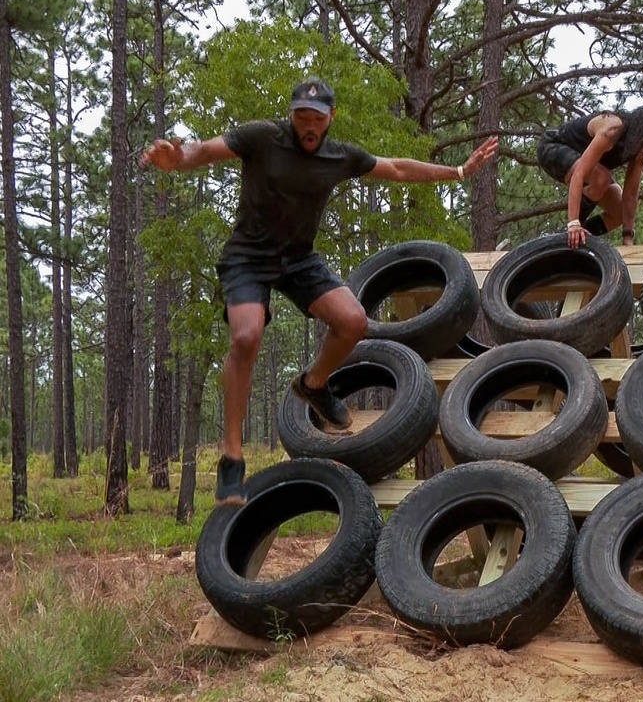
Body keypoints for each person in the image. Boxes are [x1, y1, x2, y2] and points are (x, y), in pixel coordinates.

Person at [141, 76, 499, 507]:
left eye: (316, 118)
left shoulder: (339, 155)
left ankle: (313, 385)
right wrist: (179, 159)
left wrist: (458, 171)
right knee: (246, 336)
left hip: (299, 259)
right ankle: (232, 459)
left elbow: (398, 168)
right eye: (301, 117)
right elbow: (206, 150)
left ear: (331, 118)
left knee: (353, 321)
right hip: (248, 258)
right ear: (290, 115)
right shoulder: (263, 137)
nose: (308, 126)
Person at [536, 104, 643, 249]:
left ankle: (578, 239)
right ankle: (572, 232)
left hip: (590, 168)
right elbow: (579, 175)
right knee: (600, 178)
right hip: (552, 147)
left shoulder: (640, 150)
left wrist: (628, 238)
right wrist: (574, 223)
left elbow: (631, 194)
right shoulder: (612, 129)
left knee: (619, 212)